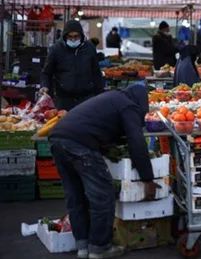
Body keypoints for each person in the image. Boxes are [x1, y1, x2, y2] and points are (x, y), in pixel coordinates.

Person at [49, 84, 160, 259]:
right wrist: (148, 179)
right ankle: (99, 247)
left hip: (57, 139)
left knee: (75, 194)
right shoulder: (128, 105)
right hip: (80, 144)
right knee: (102, 194)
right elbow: (136, 143)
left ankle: (82, 246)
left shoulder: (111, 98)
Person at [40, 21, 104, 111]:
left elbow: (96, 73)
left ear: (81, 35)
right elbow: (46, 72)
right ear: (65, 36)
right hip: (63, 99)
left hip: (86, 98)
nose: (73, 39)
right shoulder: (56, 50)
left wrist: (100, 95)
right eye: (70, 36)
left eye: (76, 36)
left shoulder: (89, 48)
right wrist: (44, 86)